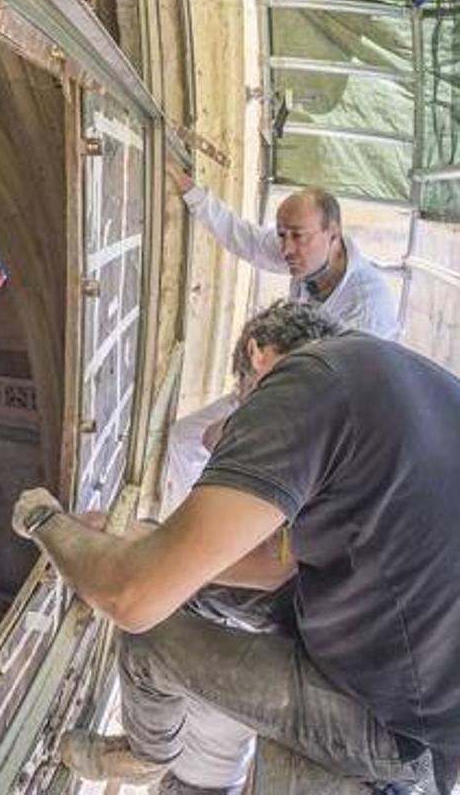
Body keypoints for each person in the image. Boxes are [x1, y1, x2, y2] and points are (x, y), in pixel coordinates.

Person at [13, 301, 460, 795]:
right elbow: (273, 566)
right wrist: (144, 541)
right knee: (187, 589)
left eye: (240, 397)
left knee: (147, 642)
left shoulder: (303, 382)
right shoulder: (388, 376)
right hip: (421, 680)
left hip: (393, 723)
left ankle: (145, 756)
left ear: (258, 355)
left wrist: (46, 520)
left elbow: (131, 598)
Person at [158, 173, 401, 792]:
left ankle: (211, 536)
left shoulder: (367, 308)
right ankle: (205, 525)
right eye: (284, 235)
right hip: (289, 398)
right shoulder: (307, 262)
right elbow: (247, 241)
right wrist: (194, 196)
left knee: (158, 636)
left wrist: (173, 558)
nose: (286, 249)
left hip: (325, 422)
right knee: (192, 437)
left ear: (333, 234)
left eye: (297, 236)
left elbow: (332, 407)